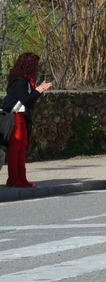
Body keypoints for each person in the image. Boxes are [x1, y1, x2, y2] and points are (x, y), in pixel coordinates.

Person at [3, 53, 52, 188]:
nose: (37, 67)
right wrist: (38, 90)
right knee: (16, 146)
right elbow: (26, 99)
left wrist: (38, 90)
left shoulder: (26, 80)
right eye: (35, 64)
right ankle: (13, 178)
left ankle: (21, 177)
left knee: (22, 146)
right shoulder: (19, 80)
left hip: (21, 116)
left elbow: (29, 99)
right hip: (14, 116)